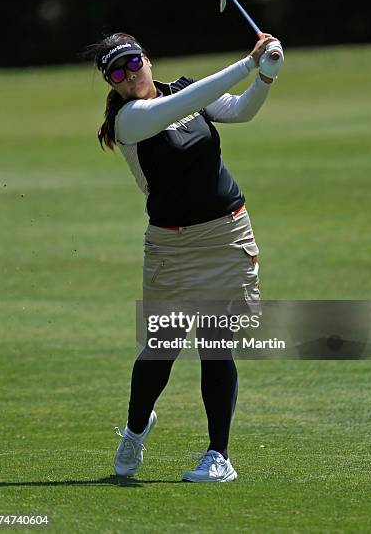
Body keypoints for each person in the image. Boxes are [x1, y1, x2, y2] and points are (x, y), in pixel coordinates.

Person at [90, 31, 284, 482]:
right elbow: (181, 107)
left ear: (147, 59)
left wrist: (265, 78)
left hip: (226, 234)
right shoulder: (130, 120)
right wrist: (247, 63)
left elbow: (239, 110)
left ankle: (219, 456)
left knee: (216, 346)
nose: (129, 75)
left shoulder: (182, 92)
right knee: (161, 346)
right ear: (113, 85)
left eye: (133, 63)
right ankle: (136, 430)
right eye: (117, 73)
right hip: (172, 246)